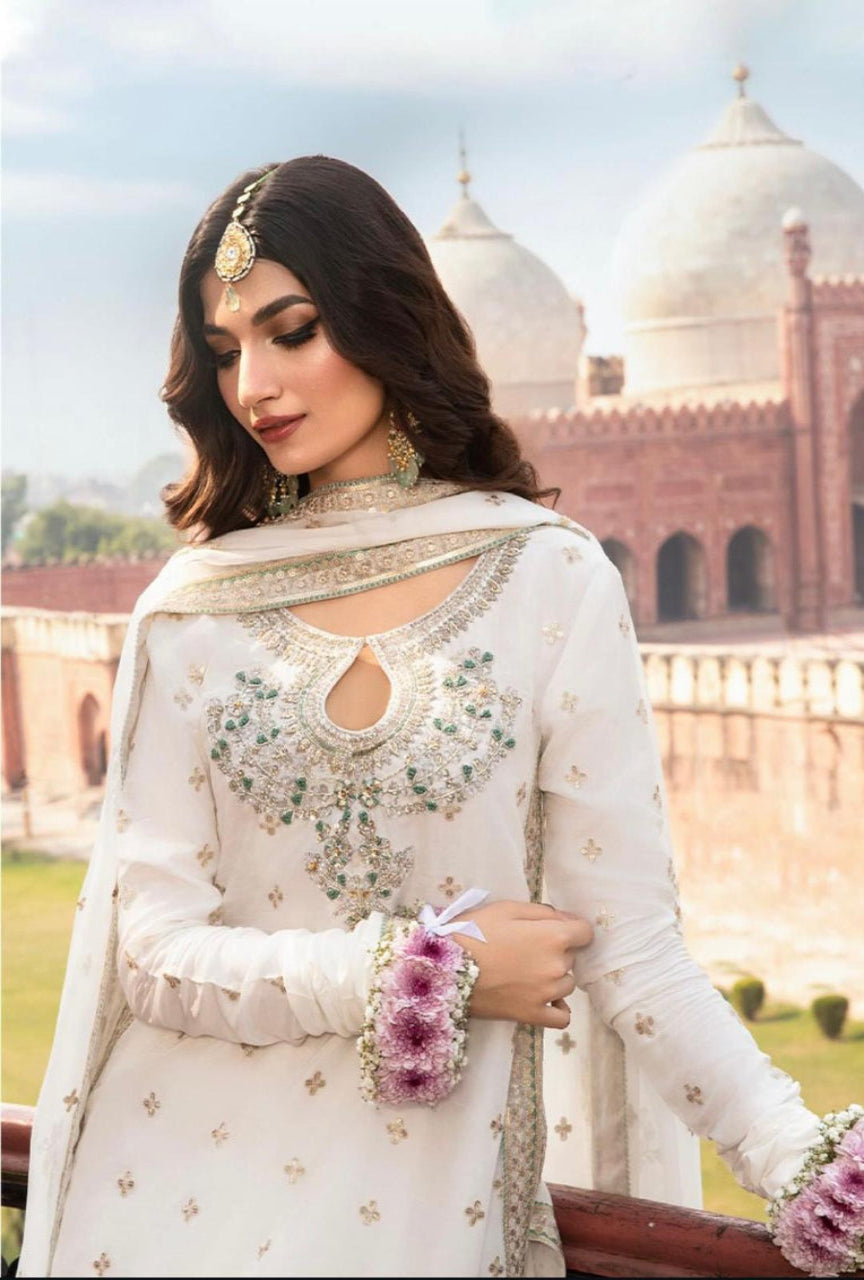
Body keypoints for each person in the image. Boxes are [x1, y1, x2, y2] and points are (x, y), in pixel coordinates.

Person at [19, 157, 862, 1279]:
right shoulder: (193, 609)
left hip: (438, 1218)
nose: (253, 382)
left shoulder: (547, 577)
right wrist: (426, 970)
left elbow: (634, 947)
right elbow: (156, 954)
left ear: (382, 313)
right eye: (225, 350)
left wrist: (803, 1161)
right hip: (186, 1214)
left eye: (292, 329)